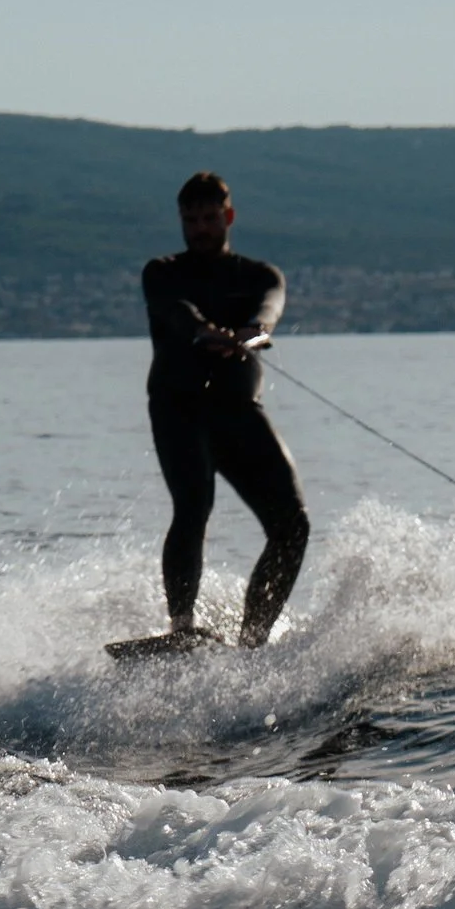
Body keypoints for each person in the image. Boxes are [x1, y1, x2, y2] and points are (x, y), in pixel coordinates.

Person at [141, 171, 310, 645]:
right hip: (179, 411)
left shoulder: (261, 275)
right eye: (190, 219)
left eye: (209, 218)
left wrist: (249, 333)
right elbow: (177, 311)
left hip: (237, 411)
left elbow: (268, 310)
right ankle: (181, 629)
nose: (199, 228)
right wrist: (204, 332)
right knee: (194, 506)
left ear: (228, 217)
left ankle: (253, 639)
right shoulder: (161, 271)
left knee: (292, 525)